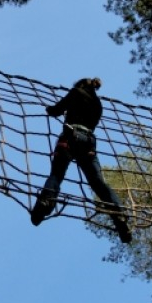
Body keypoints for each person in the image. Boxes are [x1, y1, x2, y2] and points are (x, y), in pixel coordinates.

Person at [30, 77, 132, 243]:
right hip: (89, 143)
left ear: (80, 85)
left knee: (56, 174)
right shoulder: (98, 104)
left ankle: (45, 202)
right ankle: (119, 216)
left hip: (70, 136)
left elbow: (57, 109)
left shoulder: (76, 92)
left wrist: (50, 109)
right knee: (98, 183)